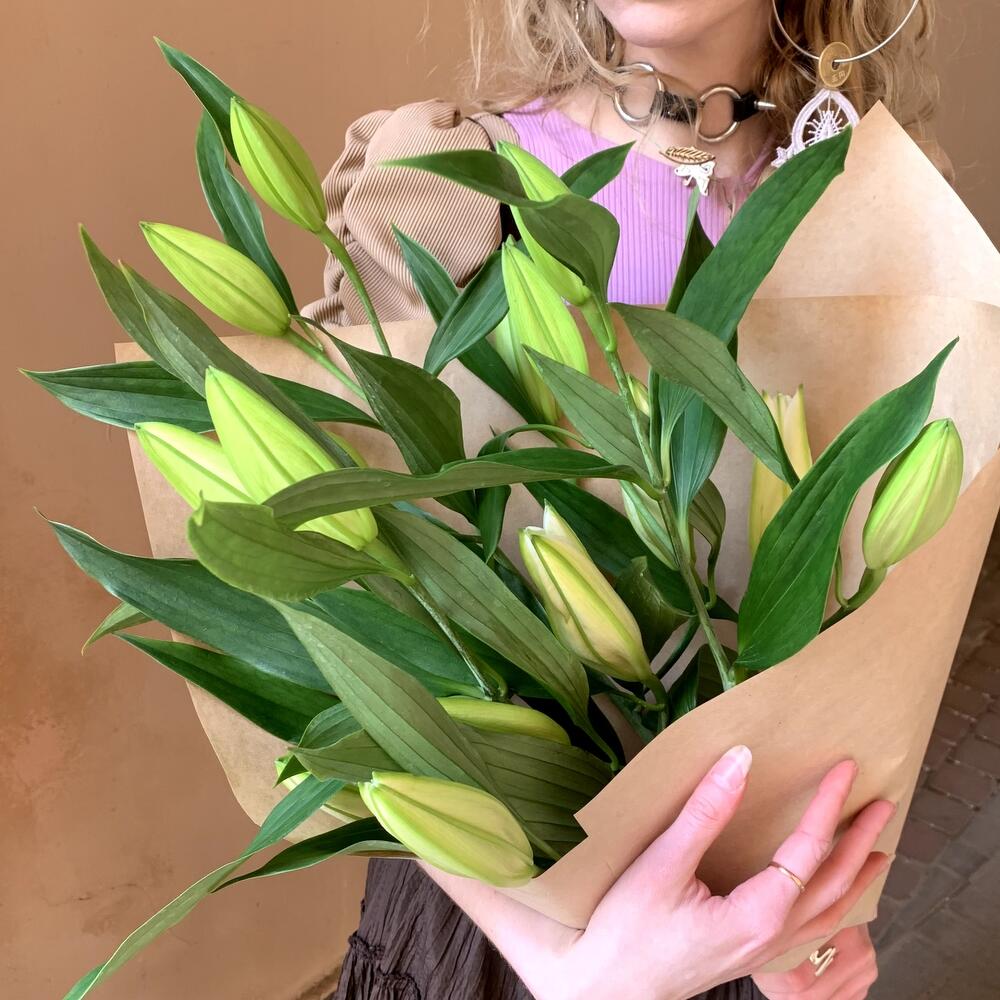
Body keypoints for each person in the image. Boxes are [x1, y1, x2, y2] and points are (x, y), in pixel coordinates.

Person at [303, 3, 940, 997]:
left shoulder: (863, 191)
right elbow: (355, 621)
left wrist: (806, 921)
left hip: (744, 919)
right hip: (498, 922)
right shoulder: (455, 184)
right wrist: (573, 968)